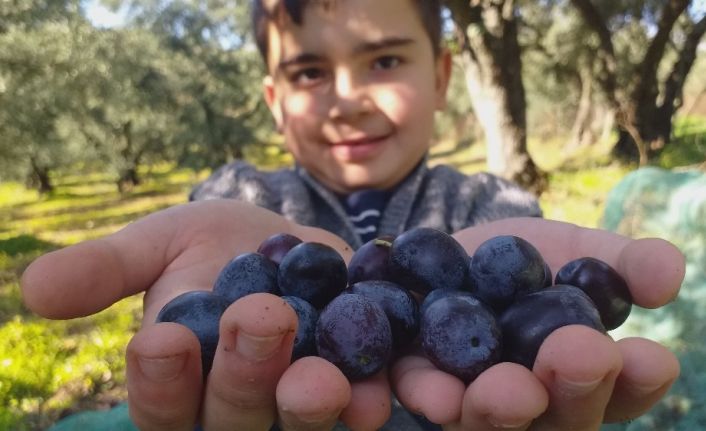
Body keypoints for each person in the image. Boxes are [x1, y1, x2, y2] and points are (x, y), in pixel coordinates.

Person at [21, 0, 685, 430]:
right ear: (273, 100)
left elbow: (505, 302)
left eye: (386, 60)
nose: (347, 100)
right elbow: (235, 286)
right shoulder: (246, 197)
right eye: (310, 73)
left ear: (443, 76)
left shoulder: (488, 206)